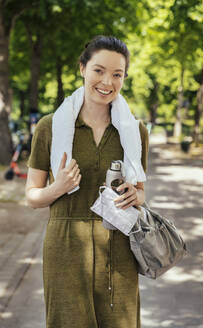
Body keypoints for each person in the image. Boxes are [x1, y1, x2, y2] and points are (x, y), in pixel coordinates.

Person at [25, 35, 149, 328]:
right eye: (99, 70)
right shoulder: (49, 127)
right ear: (82, 68)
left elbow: (142, 194)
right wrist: (58, 188)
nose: (107, 81)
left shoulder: (135, 131)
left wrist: (136, 195)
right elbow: (31, 197)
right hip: (66, 245)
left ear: (124, 78)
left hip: (119, 245)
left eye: (117, 74)